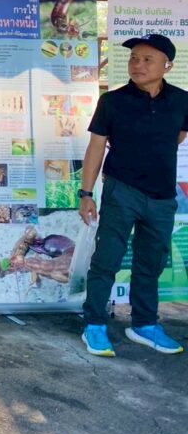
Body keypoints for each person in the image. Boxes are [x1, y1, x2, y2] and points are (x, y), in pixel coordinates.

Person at [79, 33, 187, 356]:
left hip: (162, 197)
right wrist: (86, 193)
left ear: (167, 66)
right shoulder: (112, 101)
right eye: (133, 58)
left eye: (147, 59)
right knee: (107, 260)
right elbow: (96, 147)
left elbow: (179, 136)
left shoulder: (182, 101)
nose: (137, 64)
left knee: (151, 263)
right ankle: (94, 324)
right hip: (121, 191)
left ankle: (144, 324)